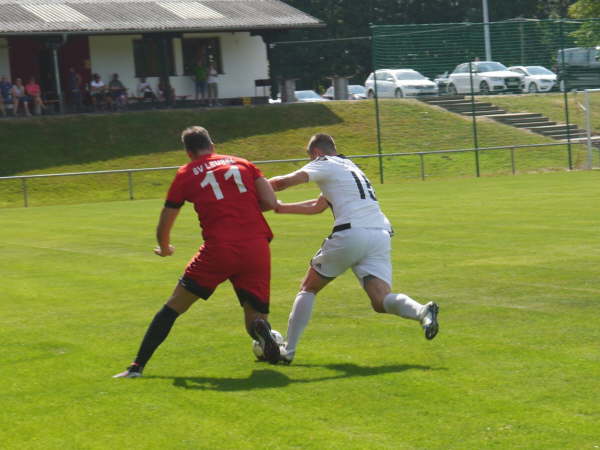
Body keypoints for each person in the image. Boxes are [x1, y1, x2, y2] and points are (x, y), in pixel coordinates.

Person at [113, 126, 280, 378]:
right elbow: (270, 202)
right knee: (254, 316)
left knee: (173, 307)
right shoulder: (243, 163)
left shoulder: (186, 173)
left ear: (188, 152)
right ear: (212, 144)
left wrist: (165, 246)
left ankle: (136, 366)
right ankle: (261, 330)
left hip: (219, 249)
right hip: (256, 246)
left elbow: (167, 216)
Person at [269, 133, 440, 364]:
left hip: (351, 233)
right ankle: (422, 311)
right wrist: (280, 208)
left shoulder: (324, 163)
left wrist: (252, 187)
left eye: (310, 157)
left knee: (308, 288)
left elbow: (284, 182)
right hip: (379, 234)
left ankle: (287, 352)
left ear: (316, 153)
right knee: (381, 300)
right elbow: (318, 206)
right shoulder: (352, 167)